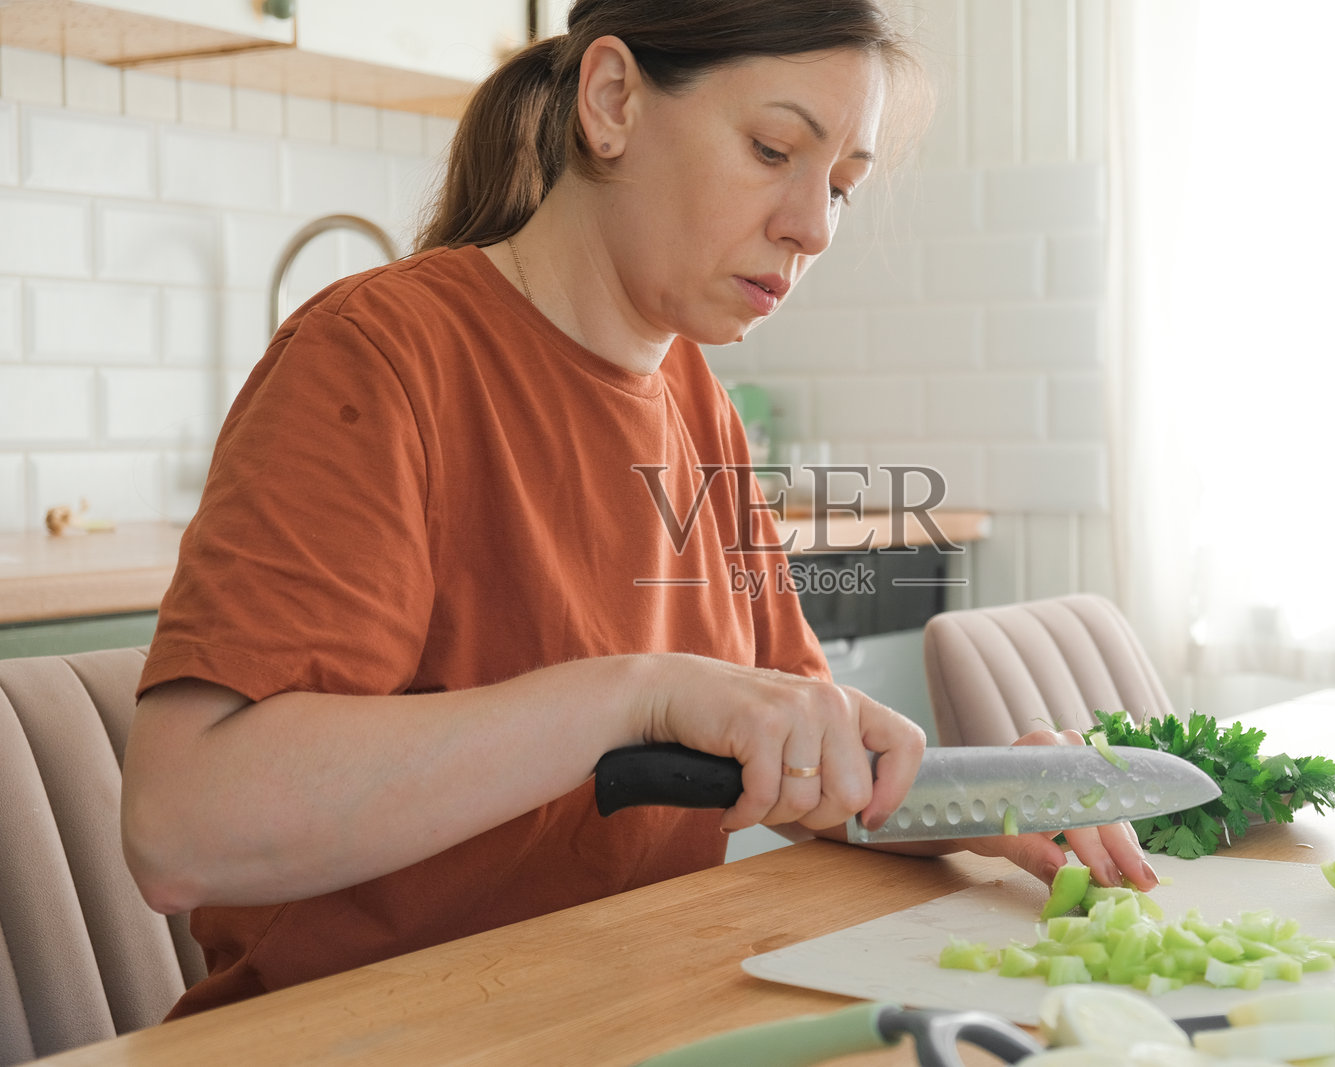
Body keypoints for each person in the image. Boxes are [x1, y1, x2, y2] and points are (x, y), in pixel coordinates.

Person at [120, 0, 1157, 1019]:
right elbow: (184, 827)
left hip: (620, 1011)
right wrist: (635, 696)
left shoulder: (696, 400)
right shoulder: (380, 356)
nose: (813, 226)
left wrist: (974, 799)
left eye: (840, 185)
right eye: (770, 149)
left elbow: (801, 764)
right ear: (611, 99)